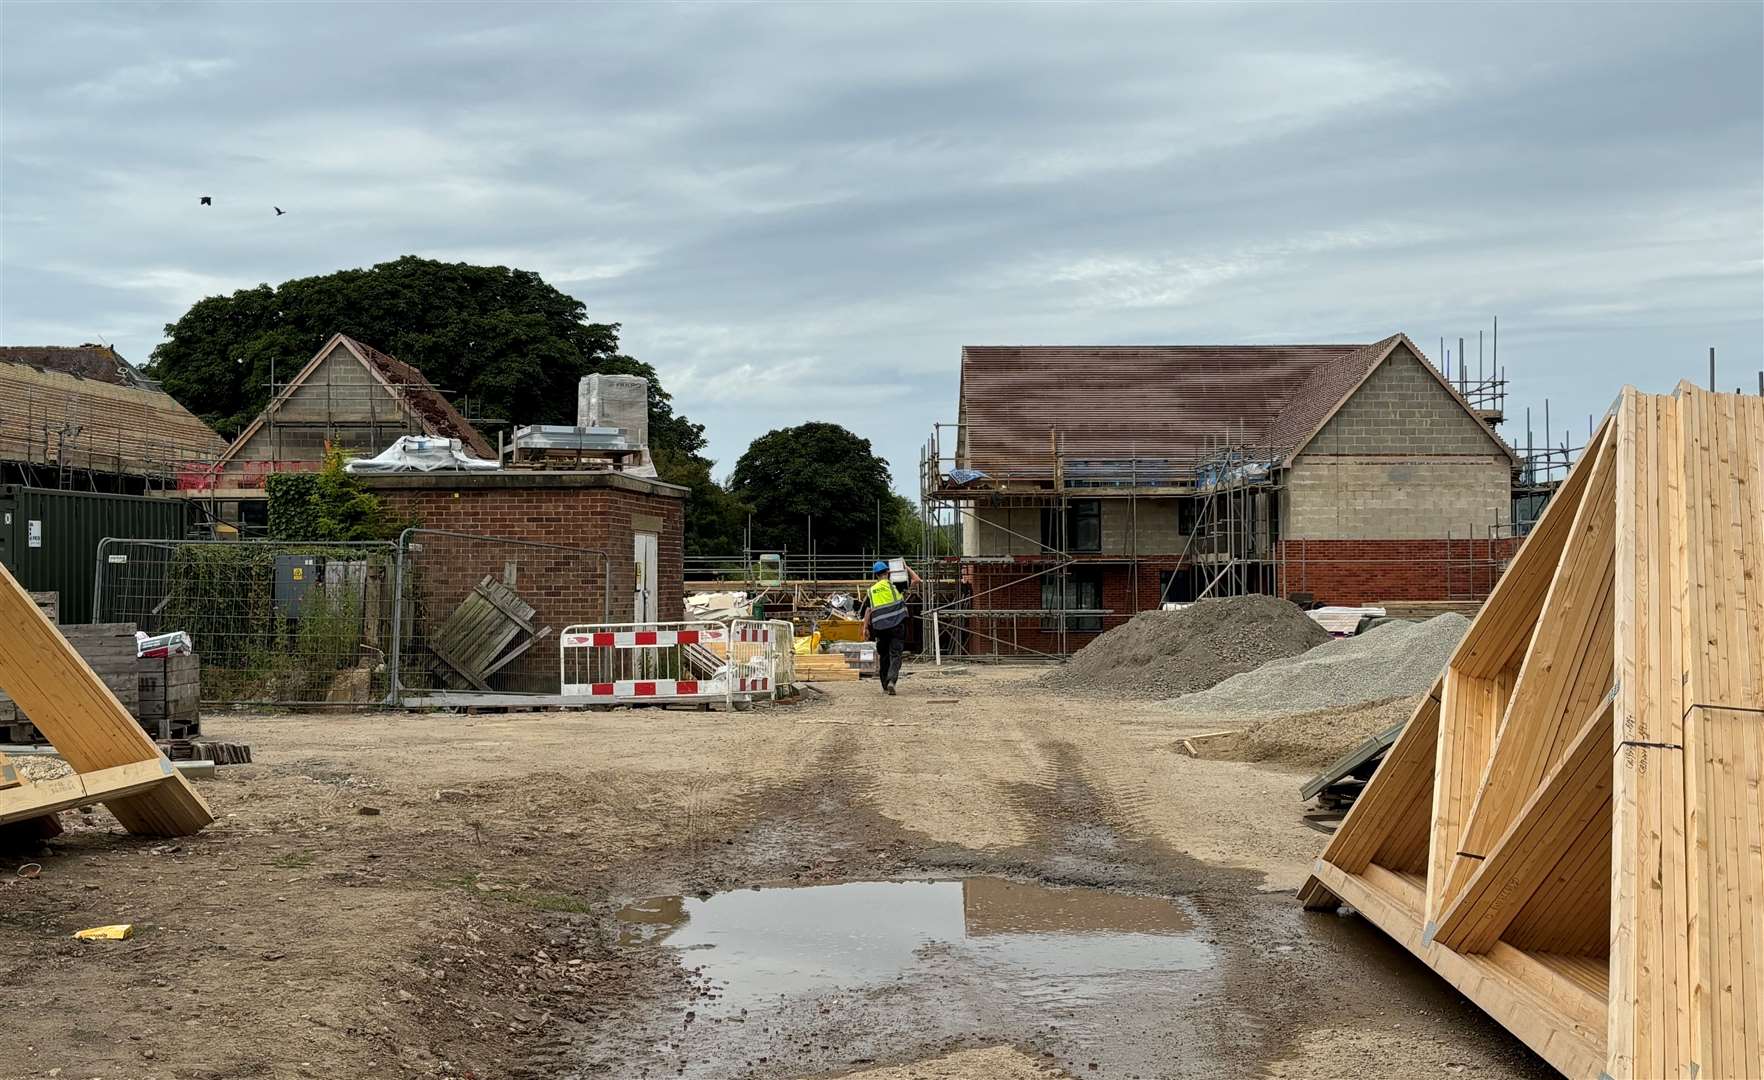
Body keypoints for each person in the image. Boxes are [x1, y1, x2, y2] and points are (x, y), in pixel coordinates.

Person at [861, 559, 918, 695]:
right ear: (888, 572)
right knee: (895, 654)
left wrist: (865, 628)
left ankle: (885, 685)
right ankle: (892, 680)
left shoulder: (872, 591)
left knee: (884, 656)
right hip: (897, 625)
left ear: (876, 575)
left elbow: (868, 611)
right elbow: (916, 580)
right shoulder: (895, 585)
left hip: (880, 628)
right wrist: (906, 568)